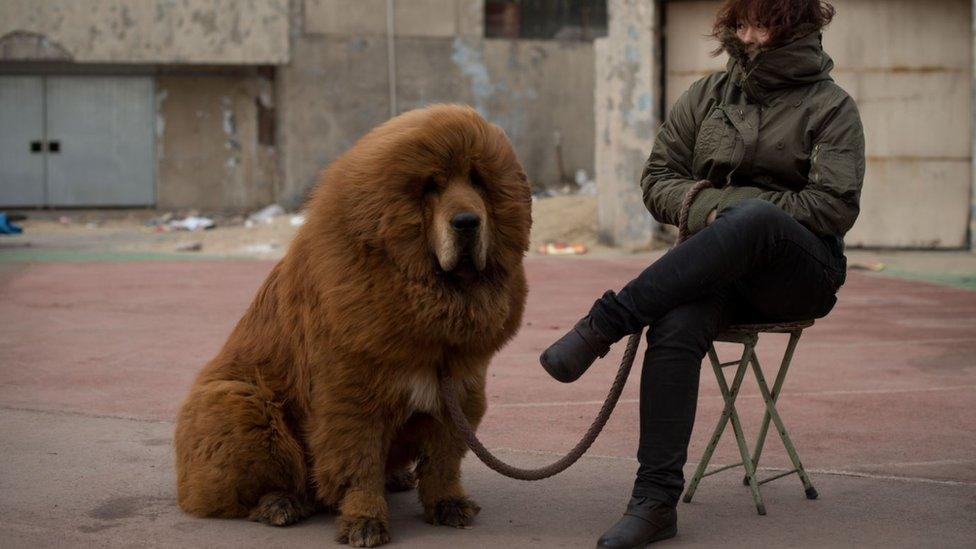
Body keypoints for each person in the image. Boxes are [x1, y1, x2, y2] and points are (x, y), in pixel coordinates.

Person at [539, 0, 864, 547]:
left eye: (761, 23)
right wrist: (713, 212)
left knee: (756, 220)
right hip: (715, 271)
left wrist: (734, 210)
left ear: (795, 28)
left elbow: (832, 207)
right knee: (675, 323)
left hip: (799, 274)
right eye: (739, 23)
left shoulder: (831, 107)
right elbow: (657, 179)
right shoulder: (706, 97)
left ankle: (607, 321)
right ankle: (654, 503)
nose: (748, 35)